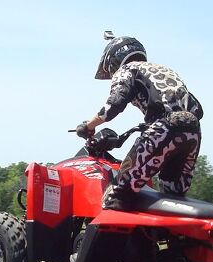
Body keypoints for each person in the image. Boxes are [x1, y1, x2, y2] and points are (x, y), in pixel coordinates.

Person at [76, 33, 204, 211]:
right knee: (174, 197)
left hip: (165, 128)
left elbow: (114, 104)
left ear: (115, 59)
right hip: (193, 131)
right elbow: (197, 109)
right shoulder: (164, 70)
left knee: (117, 194)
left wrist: (88, 126)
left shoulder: (127, 69)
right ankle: (179, 238)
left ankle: (114, 238)